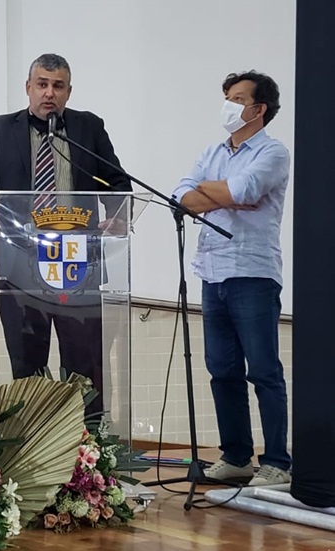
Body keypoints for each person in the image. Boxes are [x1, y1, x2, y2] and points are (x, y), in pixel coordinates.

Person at [0, 53, 132, 416]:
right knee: (27, 362)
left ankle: (90, 451)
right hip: (18, 261)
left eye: (58, 86)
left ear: (68, 91)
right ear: (28, 88)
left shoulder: (88, 129)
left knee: (86, 364)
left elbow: (118, 183)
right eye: (42, 85)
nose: (49, 93)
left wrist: (117, 216)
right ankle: (32, 447)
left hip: (78, 261)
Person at [173, 70, 291, 486]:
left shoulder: (274, 152)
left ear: (258, 109)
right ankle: (237, 456)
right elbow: (182, 197)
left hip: (253, 273)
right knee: (222, 369)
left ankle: (277, 461)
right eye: (227, 96)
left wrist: (215, 193)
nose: (228, 104)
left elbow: (246, 190)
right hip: (213, 272)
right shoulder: (212, 151)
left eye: (237, 98)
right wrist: (219, 191)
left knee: (263, 369)